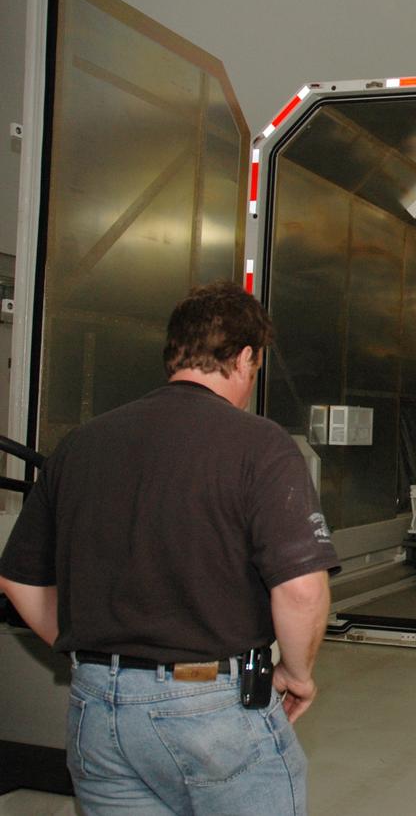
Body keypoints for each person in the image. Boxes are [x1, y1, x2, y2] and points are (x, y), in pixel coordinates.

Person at [0, 281, 340, 815]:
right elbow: (300, 591)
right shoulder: (260, 444)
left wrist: (94, 653)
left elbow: (18, 579)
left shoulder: (82, 444)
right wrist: (297, 674)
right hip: (208, 709)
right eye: (255, 366)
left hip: (96, 713)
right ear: (246, 357)